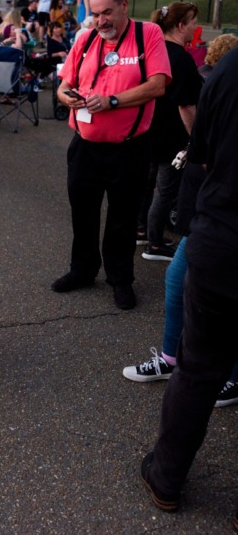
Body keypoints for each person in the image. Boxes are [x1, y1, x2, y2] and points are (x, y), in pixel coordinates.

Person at [139, 46, 238, 521]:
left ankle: (167, 479)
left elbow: (200, 154)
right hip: (222, 240)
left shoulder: (230, 68)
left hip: (223, 241)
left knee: (198, 370)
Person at [123, 35, 238, 408]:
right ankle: (172, 358)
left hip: (224, 210)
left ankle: (233, 377)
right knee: (177, 280)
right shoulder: (225, 73)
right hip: (209, 209)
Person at [52, 0, 170, 310]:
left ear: (124, 7)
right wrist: (68, 98)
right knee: (83, 211)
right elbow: (64, 85)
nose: (101, 21)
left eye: (107, 13)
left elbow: (157, 85)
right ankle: (83, 270)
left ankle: (120, 278)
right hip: (85, 147)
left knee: (123, 216)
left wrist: (112, 101)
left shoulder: (148, 34)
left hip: (129, 147)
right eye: (95, 14)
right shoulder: (87, 39)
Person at [140, 3, 202, 262]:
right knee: (165, 191)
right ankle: (153, 244)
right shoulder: (182, 59)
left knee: (148, 184)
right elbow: (186, 105)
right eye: (192, 23)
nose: (195, 28)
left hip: (148, 128)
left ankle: (142, 229)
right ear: (180, 26)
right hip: (171, 134)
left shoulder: (153, 51)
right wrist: (198, 137)